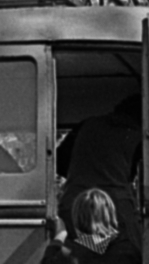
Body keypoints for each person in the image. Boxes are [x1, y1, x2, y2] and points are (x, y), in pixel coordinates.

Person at [58, 93, 141, 239]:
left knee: (78, 253)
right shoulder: (139, 135)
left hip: (74, 205)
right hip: (114, 209)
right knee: (127, 253)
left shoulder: (87, 124)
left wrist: (82, 179)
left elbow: (60, 161)